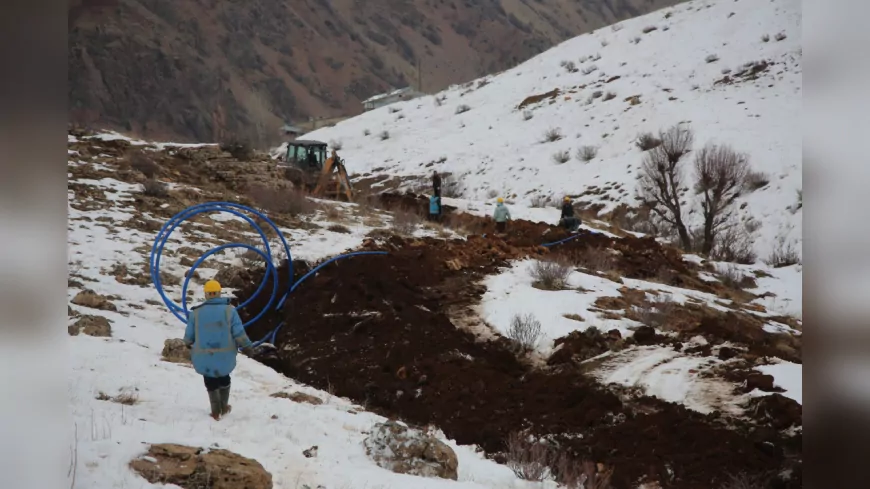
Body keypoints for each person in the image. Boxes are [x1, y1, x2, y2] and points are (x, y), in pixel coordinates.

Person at [184, 279, 255, 420]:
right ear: (219, 293)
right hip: (225, 356)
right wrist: (247, 347)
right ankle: (224, 406)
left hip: (204, 355)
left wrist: (188, 343)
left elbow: (188, 337)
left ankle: (215, 411)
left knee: (210, 380)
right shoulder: (230, 311)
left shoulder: (196, 313)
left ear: (206, 295)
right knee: (224, 378)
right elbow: (239, 333)